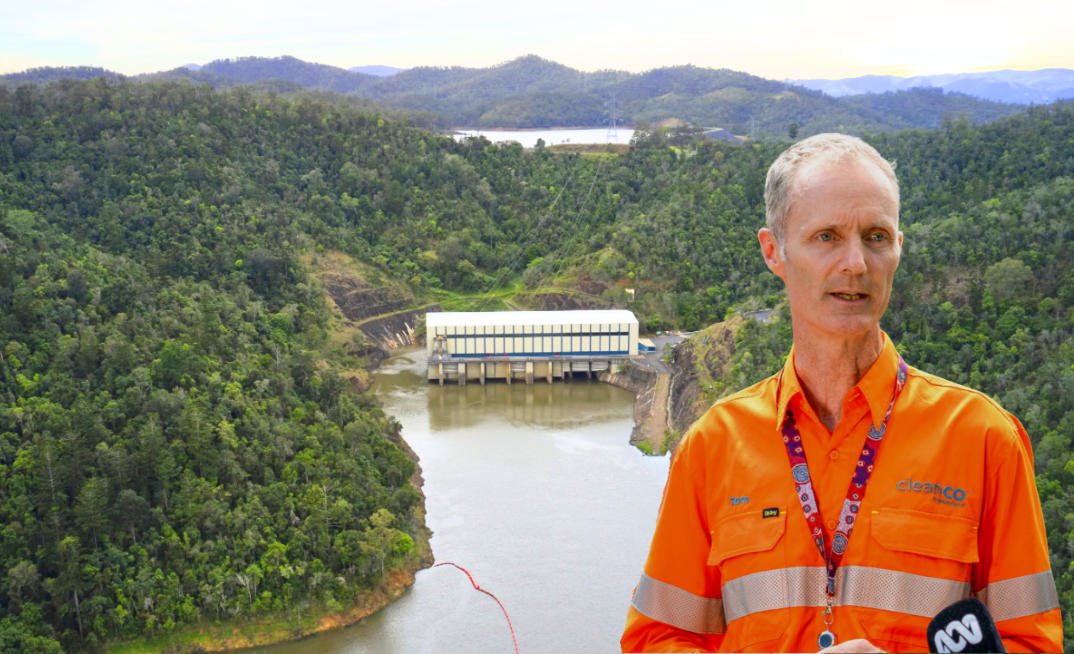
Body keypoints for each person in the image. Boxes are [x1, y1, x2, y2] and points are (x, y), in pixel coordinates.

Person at [621, 134, 1062, 653]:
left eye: (876, 236)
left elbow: (1032, 643)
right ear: (774, 251)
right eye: (827, 236)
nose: (856, 262)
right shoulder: (713, 447)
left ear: (899, 246)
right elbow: (657, 640)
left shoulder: (983, 440)